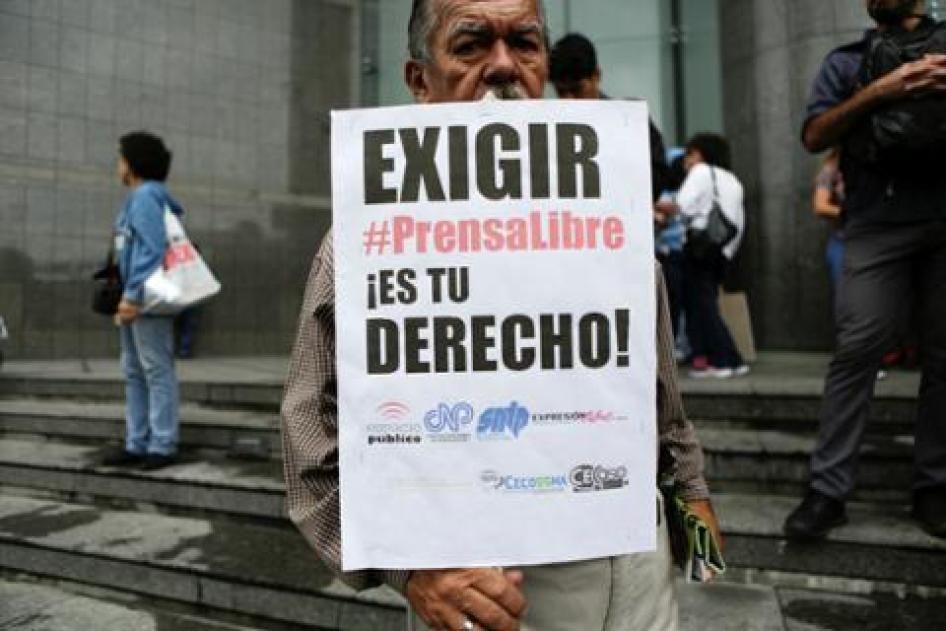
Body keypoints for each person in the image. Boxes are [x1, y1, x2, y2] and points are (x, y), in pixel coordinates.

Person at [281, 1, 720, 630]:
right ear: (418, 81)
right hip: (488, 595)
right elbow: (309, 440)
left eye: (524, 43)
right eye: (470, 46)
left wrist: (692, 507)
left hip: (640, 576)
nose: (503, 66)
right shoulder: (365, 240)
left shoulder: (609, 214)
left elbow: (657, 397)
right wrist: (411, 573)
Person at [784, 0, 946, 541]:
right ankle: (827, 491)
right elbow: (813, 136)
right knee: (857, 350)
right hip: (875, 224)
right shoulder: (845, 61)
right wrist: (885, 88)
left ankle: (933, 486)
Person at [101, 132, 183, 471]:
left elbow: (150, 250)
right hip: (135, 296)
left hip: (145, 298)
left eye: (121, 159)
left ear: (133, 164)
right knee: (135, 370)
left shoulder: (146, 195)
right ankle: (137, 442)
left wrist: (133, 296)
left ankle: (162, 444)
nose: (118, 166)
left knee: (154, 369)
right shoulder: (138, 196)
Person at [656, 134, 748, 379]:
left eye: (689, 154)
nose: (686, 160)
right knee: (707, 304)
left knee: (703, 307)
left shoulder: (700, 172)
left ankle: (721, 361)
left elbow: (681, 205)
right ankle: (733, 359)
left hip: (699, 248)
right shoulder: (732, 180)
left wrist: (656, 207)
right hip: (722, 250)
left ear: (700, 153)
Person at [549, 32, 669, 203]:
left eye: (577, 90)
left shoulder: (629, 120)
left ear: (596, 76)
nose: (569, 100)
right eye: (561, 92)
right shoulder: (547, 125)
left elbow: (657, 176)